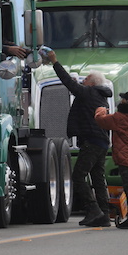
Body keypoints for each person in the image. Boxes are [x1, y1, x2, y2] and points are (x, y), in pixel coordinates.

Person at [43, 48, 113, 227]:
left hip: (92, 141)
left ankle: (93, 209)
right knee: (97, 178)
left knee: (78, 176)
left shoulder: (89, 93)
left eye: (86, 79)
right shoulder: (99, 95)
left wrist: (55, 62)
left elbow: (68, 83)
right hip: (102, 141)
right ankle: (104, 214)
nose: (83, 80)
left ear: (92, 83)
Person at [94, 90, 128, 229]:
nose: (121, 100)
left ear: (127, 102)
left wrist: (100, 110)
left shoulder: (120, 117)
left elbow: (101, 121)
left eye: (124, 99)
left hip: (126, 157)